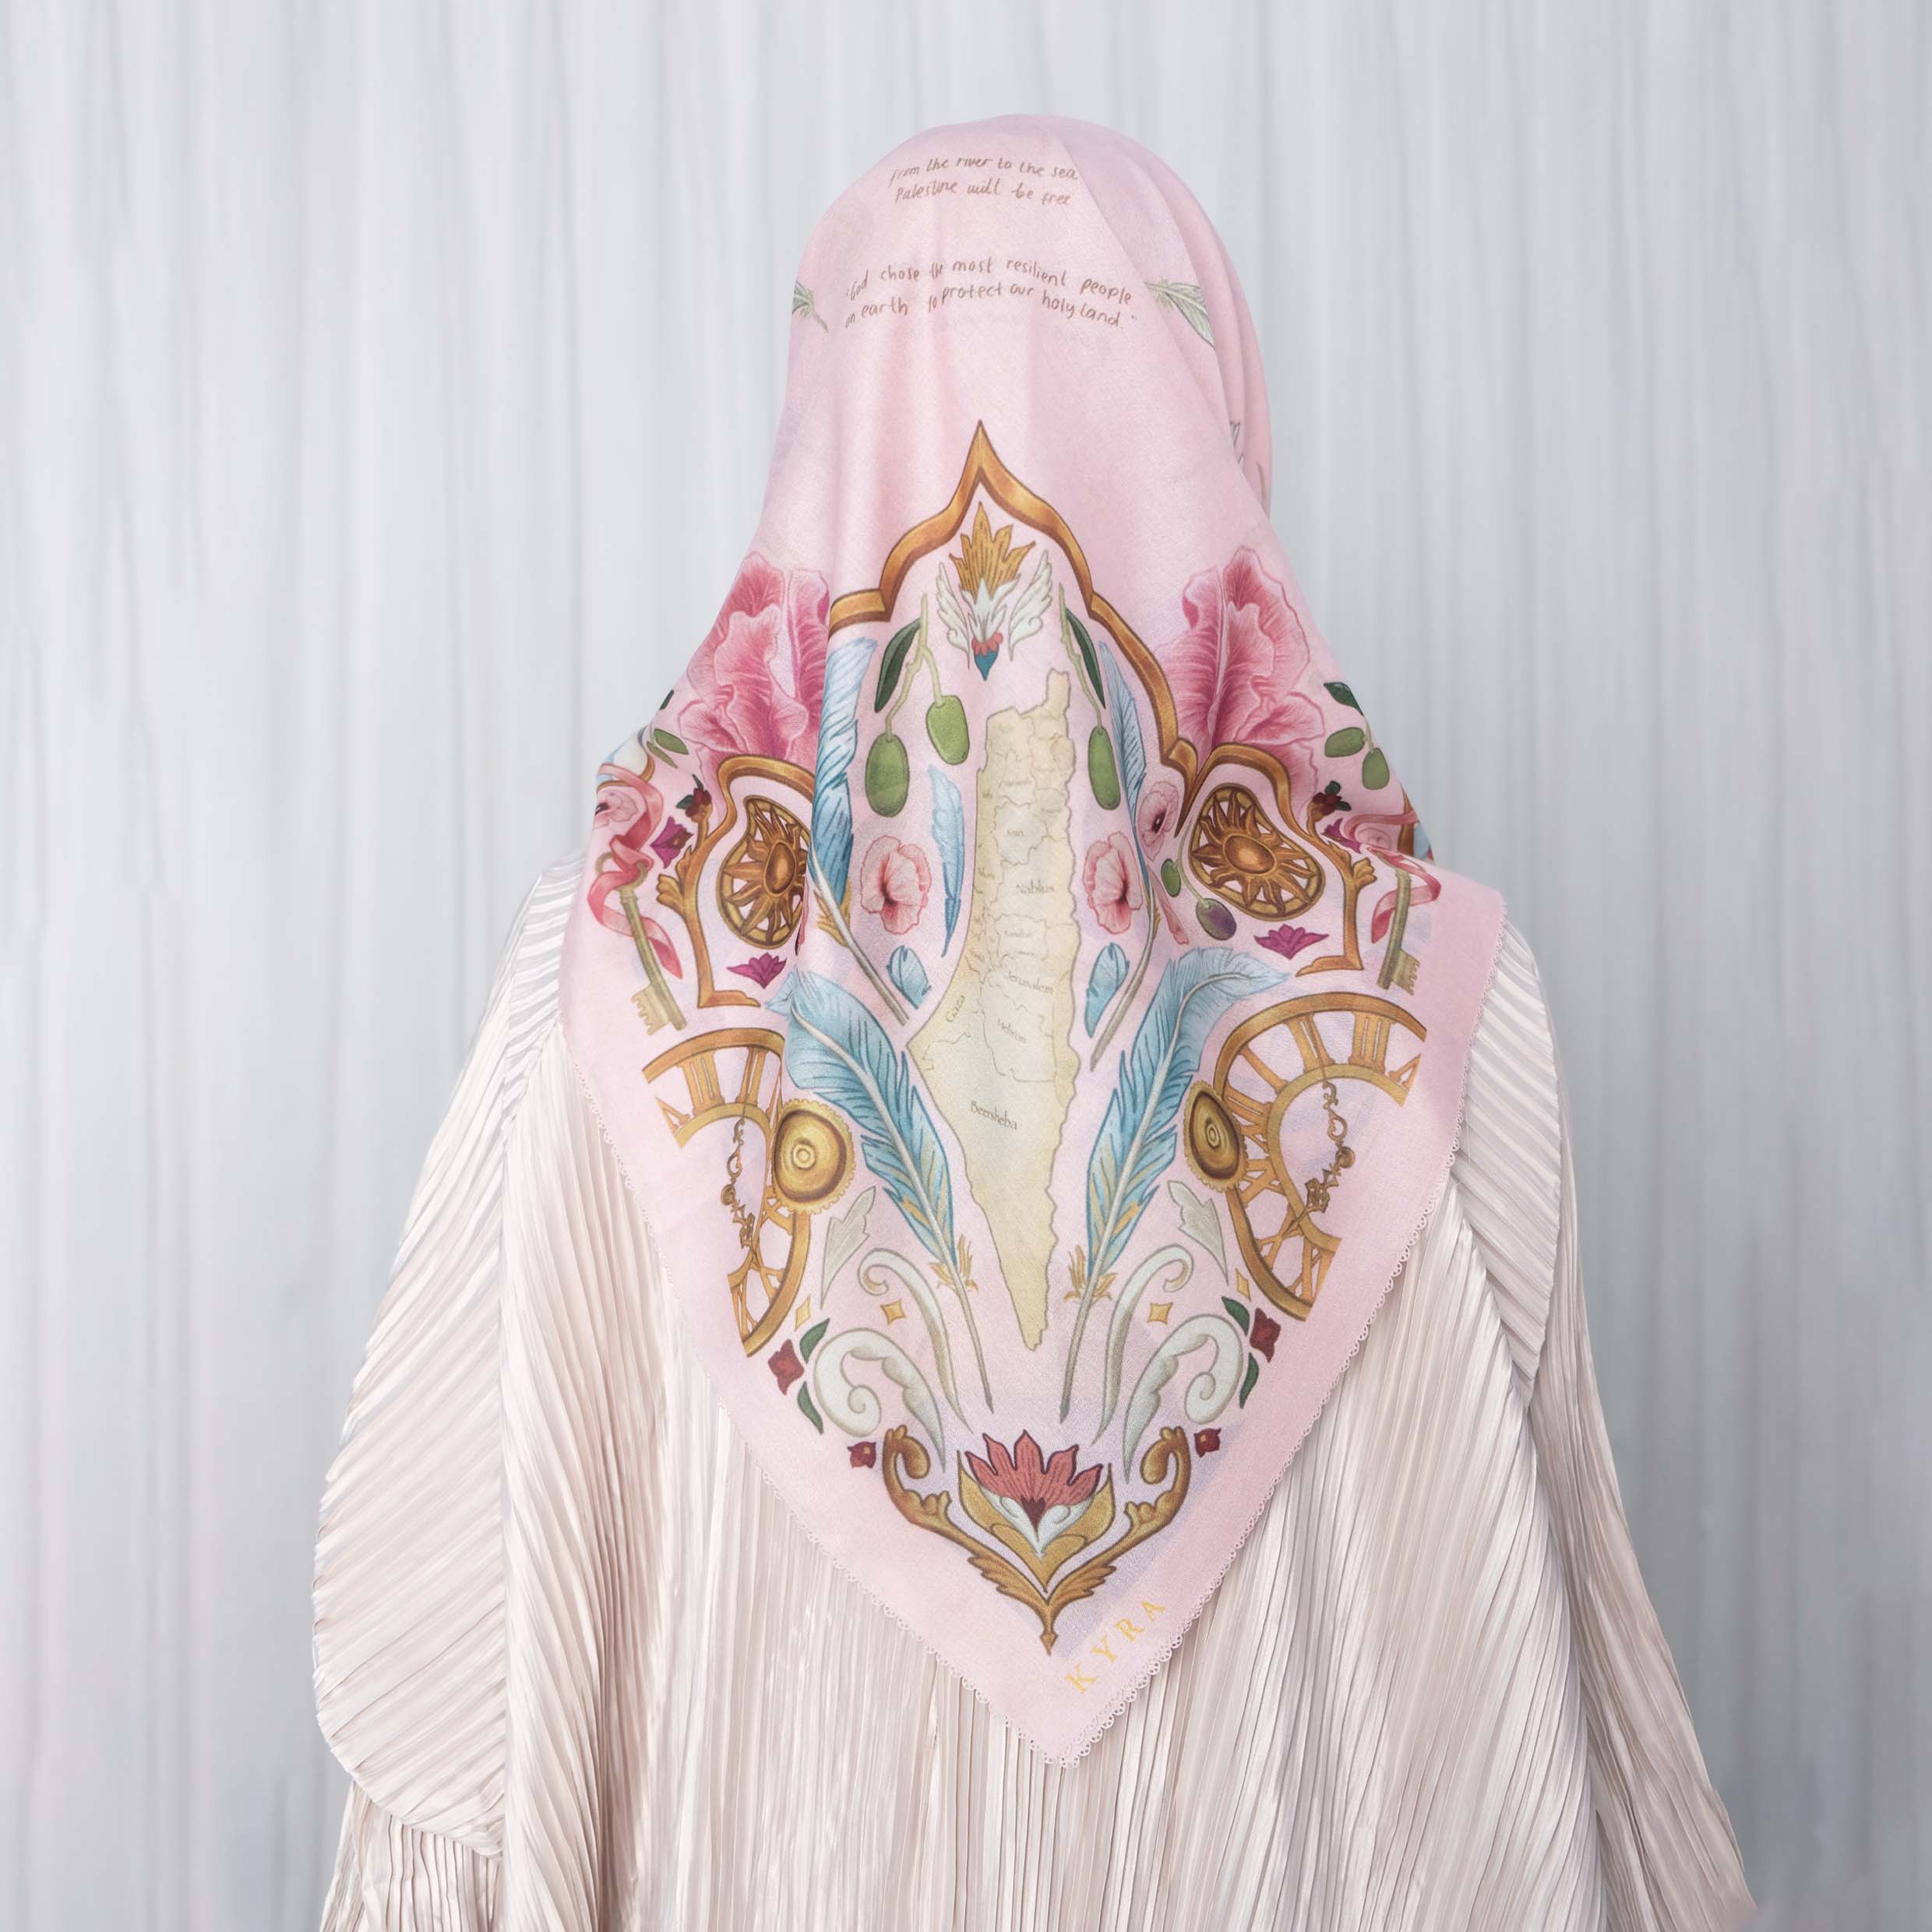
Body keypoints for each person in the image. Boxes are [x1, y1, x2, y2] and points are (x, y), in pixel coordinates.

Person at [312, 115, 1752, 1930]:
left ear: (821, 430)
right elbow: (1542, 1731)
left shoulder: (601, 990)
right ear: (1215, 415)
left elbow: (466, 1689)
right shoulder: (1435, 1012)